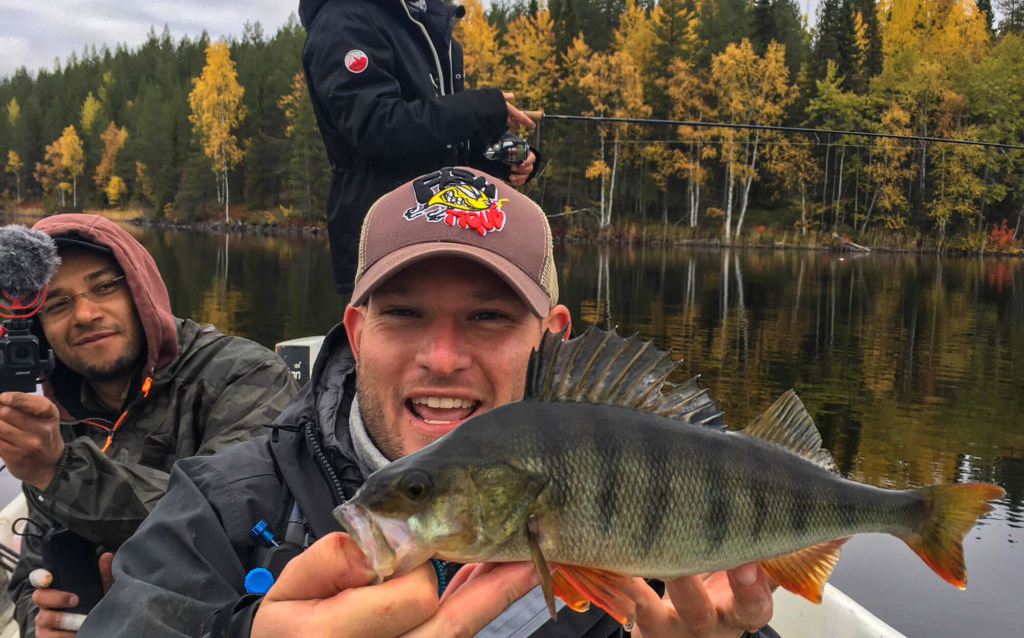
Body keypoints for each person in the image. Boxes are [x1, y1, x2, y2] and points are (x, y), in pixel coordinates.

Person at [76, 167, 778, 638]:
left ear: (552, 340)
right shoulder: (224, 507)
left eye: (490, 318)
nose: (442, 357)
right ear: (356, 332)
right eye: (405, 314)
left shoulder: (651, 513)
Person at [0, 214, 298, 637]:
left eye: (105, 287)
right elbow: (31, 575)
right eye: (58, 303)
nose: (85, 314)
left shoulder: (246, 375)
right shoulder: (57, 419)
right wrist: (46, 622)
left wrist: (59, 470)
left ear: (140, 290)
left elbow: (233, 522)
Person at [295, 0, 541, 295]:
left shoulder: (431, 29)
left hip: (443, 237)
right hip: (381, 245)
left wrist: (502, 161)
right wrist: (478, 109)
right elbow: (377, 128)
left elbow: (439, 146)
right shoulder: (344, 21)